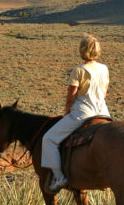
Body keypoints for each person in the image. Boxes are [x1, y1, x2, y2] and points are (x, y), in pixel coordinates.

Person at [43, 34, 111, 193]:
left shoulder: (78, 70)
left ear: (82, 50)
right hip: (103, 112)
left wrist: (67, 112)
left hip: (83, 113)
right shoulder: (104, 68)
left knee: (49, 139)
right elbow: (104, 93)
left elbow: (71, 97)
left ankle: (59, 177)